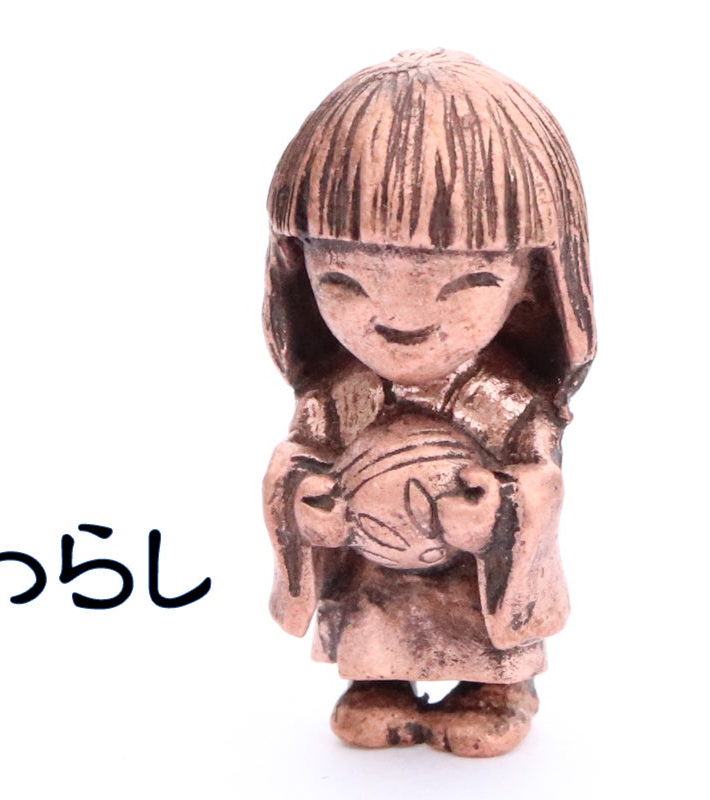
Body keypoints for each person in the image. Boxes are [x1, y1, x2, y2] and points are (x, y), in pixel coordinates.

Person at [261, 48, 595, 757]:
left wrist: (499, 511)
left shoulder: (504, 401)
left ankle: (497, 688)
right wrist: (308, 503)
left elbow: (540, 481)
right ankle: (377, 682)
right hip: (376, 565)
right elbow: (298, 461)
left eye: (465, 283)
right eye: (345, 282)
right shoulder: (341, 397)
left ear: (531, 284)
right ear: (299, 271)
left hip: (467, 568)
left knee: (480, 628)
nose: (398, 318)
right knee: (373, 618)